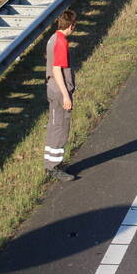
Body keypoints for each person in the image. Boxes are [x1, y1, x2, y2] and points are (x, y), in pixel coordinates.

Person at [44, 10, 77, 181]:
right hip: (59, 90)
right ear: (71, 26)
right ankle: (53, 167)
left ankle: (51, 162)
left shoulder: (52, 38)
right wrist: (66, 95)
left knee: (54, 125)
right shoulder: (61, 42)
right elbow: (57, 70)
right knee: (60, 128)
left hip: (52, 87)